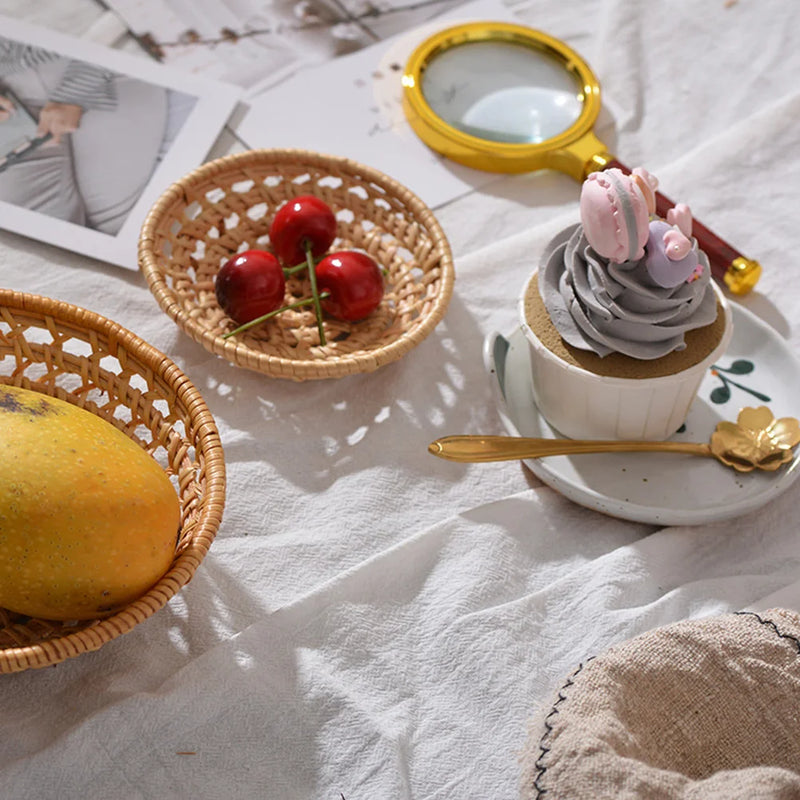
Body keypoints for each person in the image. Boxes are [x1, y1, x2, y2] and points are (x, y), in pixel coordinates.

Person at [0, 36, 170, 235]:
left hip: (104, 75)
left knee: (116, 222)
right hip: (11, 93)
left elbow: (120, 34)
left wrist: (73, 93)